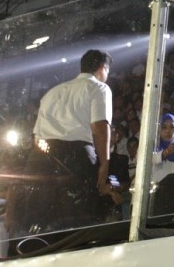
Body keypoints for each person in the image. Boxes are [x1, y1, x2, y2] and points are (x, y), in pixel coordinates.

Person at [25, 49, 113, 228]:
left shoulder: (52, 92)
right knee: (78, 218)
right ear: (102, 68)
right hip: (75, 156)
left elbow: (36, 136)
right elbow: (99, 127)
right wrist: (104, 163)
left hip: (40, 158)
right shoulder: (99, 88)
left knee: (42, 218)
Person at [151, 113, 174, 183]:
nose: (168, 131)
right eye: (164, 127)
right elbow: (149, 160)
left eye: (172, 127)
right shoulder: (152, 147)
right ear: (159, 130)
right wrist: (165, 153)